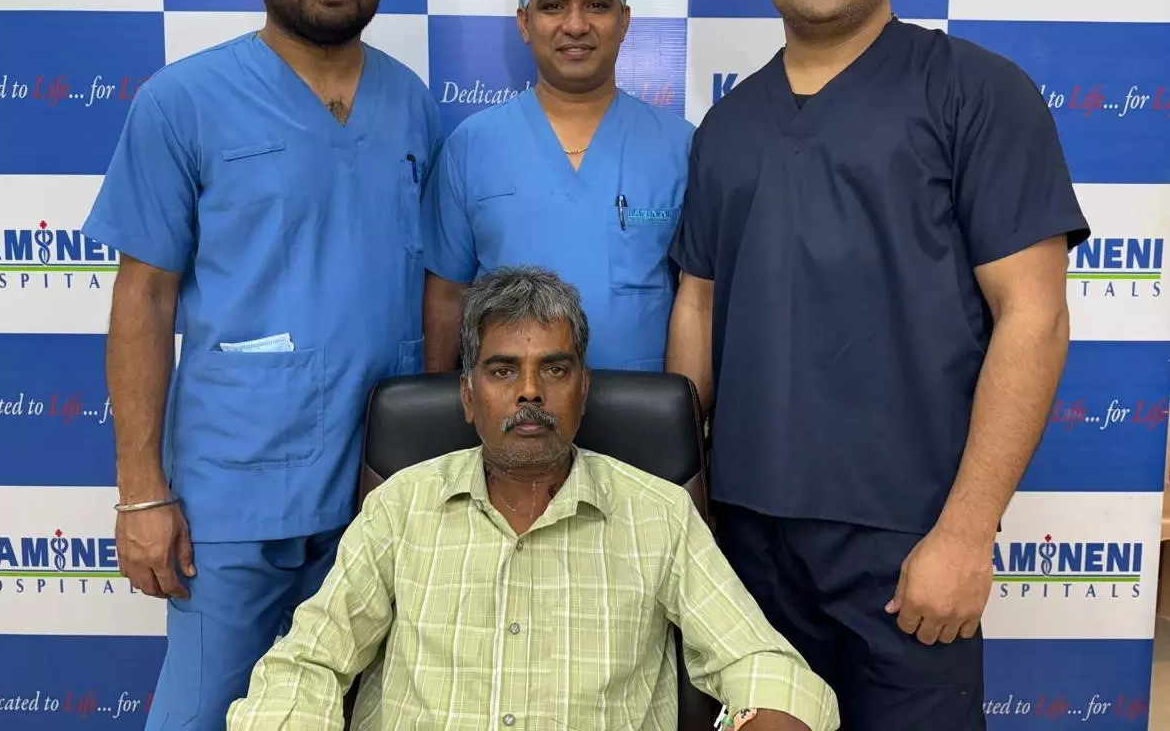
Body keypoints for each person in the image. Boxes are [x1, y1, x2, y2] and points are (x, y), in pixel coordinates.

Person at [666, 0, 1089, 730]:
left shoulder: (976, 94)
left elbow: (1035, 316)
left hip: (911, 539)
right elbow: (697, 302)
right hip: (746, 541)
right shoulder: (727, 128)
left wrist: (967, 532)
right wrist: (684, 509)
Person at [81, 0, 442, 730]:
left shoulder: (412, 104)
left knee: (359, 710)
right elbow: (143, 300)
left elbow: (440, 288)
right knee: (206, 711)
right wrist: (141, 492)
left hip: (379, 486)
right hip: (236, 491)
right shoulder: (183, 102)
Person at [225, 266, 841, 731]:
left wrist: (769, 715)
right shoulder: (401, 506)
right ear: (468, 397)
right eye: (501, 371)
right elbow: (309, 662)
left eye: (554, 369)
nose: (529, 392)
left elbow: (762, 663)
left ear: (583, 390)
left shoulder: (659, 514)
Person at [422, 0, 694, 374]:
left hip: (643, 407)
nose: (576, 25)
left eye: (597, 4)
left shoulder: (680, 146)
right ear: (524, 23)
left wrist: (688, 407)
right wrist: (437, 401)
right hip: (512, 408)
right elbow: (447, 294)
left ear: (625, 21)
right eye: (553, 5)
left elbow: (699, 298)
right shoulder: (472, 146)